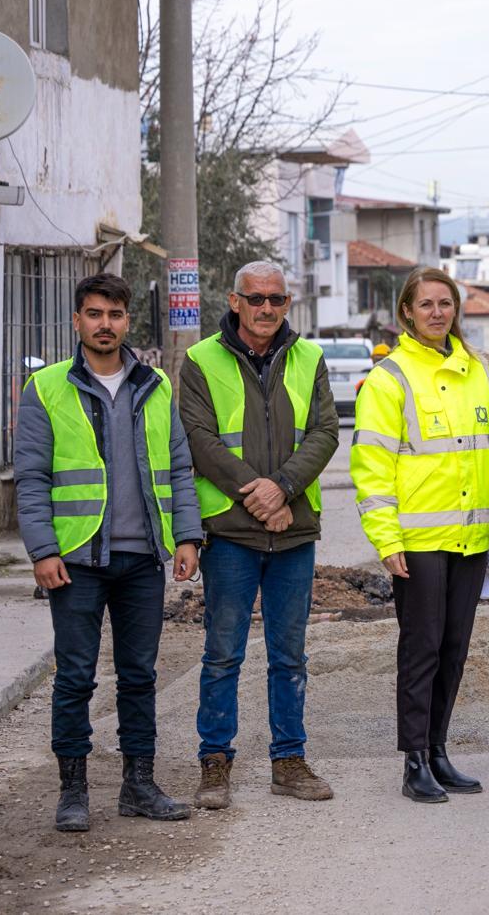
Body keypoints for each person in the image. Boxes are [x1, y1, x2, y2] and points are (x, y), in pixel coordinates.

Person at [15, 272, 202, 832]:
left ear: (127, 322)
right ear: (77, 321)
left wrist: (187, 537)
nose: (105, 324)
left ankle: (138, 785)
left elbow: (179, 469)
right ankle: (73, 792)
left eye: (115, 315)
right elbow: (31, 477)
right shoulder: (47, 387)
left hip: (144, 556)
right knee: (75, 676)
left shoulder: (157, 386)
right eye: (94, 314)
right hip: (75, 560)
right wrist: (42, 550)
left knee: (139, 675)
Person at [179, 260, 341, 809]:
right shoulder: (201, 360)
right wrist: (261, 493)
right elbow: (200, 440)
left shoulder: (310, 358)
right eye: (255, 299)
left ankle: (289, 762)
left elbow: (324, 432)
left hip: (293, 533)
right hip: (231, 534)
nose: (266, 308)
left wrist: (284, 489)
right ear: (235, 301)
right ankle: (214, 762)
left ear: (287, 303)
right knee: (222, 653)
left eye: (275, 299)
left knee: (289, 656)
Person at [351, 267, 489, 803]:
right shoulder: (390, 378)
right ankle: (414, 759)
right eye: (426, 305)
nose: (437, 313)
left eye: (446, 303)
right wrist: (386, 539)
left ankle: (439, 750)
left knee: (454, 648)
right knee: (421, 649)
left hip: (469, 539)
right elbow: (371, 467)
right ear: (407, 313)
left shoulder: (480, 373)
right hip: (418, 543)